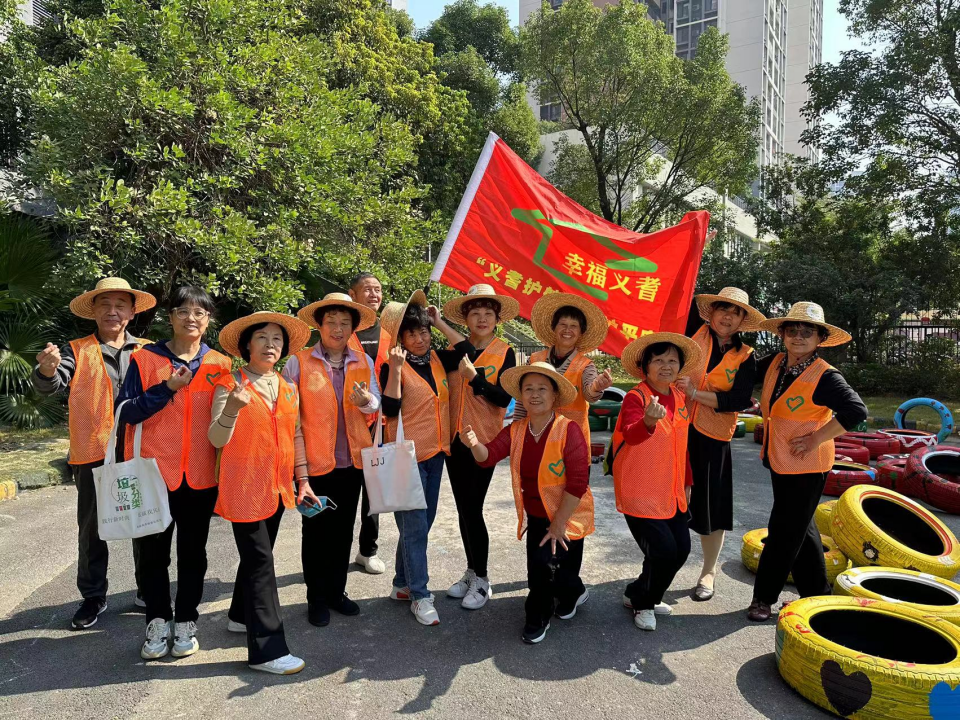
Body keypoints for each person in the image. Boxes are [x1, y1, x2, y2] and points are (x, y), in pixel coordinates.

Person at [116, 286, 232, 660]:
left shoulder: (220, 364)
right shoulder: (145, 359)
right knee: (152, 555)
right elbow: (126, 412)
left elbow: (226, 422)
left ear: (209, 320)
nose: (191, 318)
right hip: (153, 474)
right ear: (171, 317)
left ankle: (185, 621)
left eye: (200, 312)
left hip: (200, 476)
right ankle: (157, 620)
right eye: (183, 311)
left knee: (193, 554)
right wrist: (167, 388)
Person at [32, 277, 155, 629]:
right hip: (92, 451)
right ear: (94, 311)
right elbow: (52, 382)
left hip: (140, 449)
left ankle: (148, 589)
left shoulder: (149, 350)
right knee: (91, 528)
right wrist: (46, 369)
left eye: (120, 305)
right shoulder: (76, 350)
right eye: (105, 305)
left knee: (146, 523)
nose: (112, 311)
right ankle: (92, 596)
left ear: (132, 312)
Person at [208, 311, 313, 675]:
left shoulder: (287, 386)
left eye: (277, 339)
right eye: (262, 338)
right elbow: (215, 438)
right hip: (243, 487)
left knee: (257, 558)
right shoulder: (229, 384)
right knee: (262, 564)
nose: (271, 345)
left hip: (278, 486)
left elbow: (295, 435)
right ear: (247, 345)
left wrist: (303, 480)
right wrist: (232, 409)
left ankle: (240, 616)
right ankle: (267, 651)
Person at [747, 302, 867, 622]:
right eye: (792, 330)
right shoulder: (775, 363)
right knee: (802, 526)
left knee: (784, 529)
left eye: (807, 331)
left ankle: (763, 597)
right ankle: (817, 593)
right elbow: (742, 371)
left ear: (819, 339)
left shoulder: (826, 376)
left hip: (808, 465)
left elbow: (856, 411)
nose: (798, 336)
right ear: (783, 334)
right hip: (780, 459)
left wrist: (817, 438)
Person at [463, 362, 594, 645]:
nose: (535, 394)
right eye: (529, 389)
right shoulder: (516, 430)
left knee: (563, 576)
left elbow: (578, 482)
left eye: (542, 389)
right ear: (521, 396)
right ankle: (537, 618)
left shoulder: (568, 429)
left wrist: (558, 524)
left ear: (555, 395)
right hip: (536, 516)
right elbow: (488, 457)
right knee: (539, 572)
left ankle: (573, 592)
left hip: (568, 516)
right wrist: (474, 444)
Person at [282, 292, 382, 628]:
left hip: (352, 463)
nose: (338, 329)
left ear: (353, 328)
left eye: (344, 323)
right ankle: (316, 597)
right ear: (319, 326)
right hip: (314, 465)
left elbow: (376, 403)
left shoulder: (363, 361)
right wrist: (298, 470)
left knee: (342, 531)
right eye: (331, 322)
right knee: (315, 533)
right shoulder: (298, 362)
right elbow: (288, 416)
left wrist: (366, 400)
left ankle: (337, 592)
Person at [378, 290, 471, 626]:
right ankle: (420, 594)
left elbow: (467, 351)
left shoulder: (437, 360)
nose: (420, 339)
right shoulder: (392, 366)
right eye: (412, 334)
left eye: (423, 332)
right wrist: (395, 370)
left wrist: (439, 321)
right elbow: (390, 410)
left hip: (436, 454)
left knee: (420, 524)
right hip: (407, 458)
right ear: (400, 339)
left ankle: (401, 584)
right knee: (416, 528)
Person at [676, 287, 764, 602]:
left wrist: (695, 395)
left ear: (742, 321)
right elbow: (680, 290)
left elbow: (737, 400)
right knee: (667, 501)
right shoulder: (690, 333)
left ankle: (708, 572)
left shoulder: (746, 356)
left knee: (711, 508)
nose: (728, 316)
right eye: (723, 308)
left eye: (736, 312)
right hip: (674, 429)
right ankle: (658, 567)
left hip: (713, 438)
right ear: (710, 312)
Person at [611, 333, 701, 632]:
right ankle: (644, 603)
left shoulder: (679, 397)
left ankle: (638, 592)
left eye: (672, 360)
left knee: (681, 549)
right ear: (645, 367)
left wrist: (688, 483)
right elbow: (630, 433)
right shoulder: (636, 398)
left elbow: (682, 444)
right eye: (658, 360)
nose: (666, 366)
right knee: (663, 551)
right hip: (640, 490)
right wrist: (648, 420)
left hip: (672, 491)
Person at [441, 283, 519, 610]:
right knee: (463, 509)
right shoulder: (454, 349)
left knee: (473, 508)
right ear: (465, 319)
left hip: (483, 441)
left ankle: (483, 580)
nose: (482, 318)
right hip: (454, 440)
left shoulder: (505, 351)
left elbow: (504, 398)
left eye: (488, 313)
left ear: (497, 319)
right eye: (475, 313)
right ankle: (471, 571)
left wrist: (476, 380)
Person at [517, 292, 614, 445]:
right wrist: (516, 431)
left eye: (574, 326)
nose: (567, 330)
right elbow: (521, 398)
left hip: (572, 441)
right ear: (554, 328)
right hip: (536, 437)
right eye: (562, 324)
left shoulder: (586, 365)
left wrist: (597, 387)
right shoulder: (534, 360)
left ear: (581, 333)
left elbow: (589, 394)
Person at [346, 272, 389, 576]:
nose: (374, 294)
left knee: (374, 491)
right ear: (353, 294)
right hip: (346, 423)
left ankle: (367, 551)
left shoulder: (389, 332)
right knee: (345, 491)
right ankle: (334, 551)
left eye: (378, 289)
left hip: (380, 423)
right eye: (367, 289)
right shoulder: (342, 330)